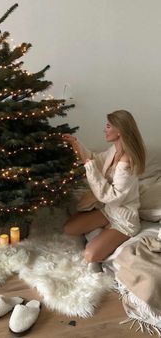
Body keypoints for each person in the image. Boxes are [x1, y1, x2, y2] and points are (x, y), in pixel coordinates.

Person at [62, 110, 146, 268]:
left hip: (123, 219)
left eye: (108, 126)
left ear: (120, 130)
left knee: (90, 254)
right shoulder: (115, 149)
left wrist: (91, 170)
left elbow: (114, 196)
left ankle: (111, 238)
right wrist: (75, 143)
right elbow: (95, 160)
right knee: (69, 228)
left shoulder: (127, 160)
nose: (104, 129)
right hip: (108, 211)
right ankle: (104, 232)